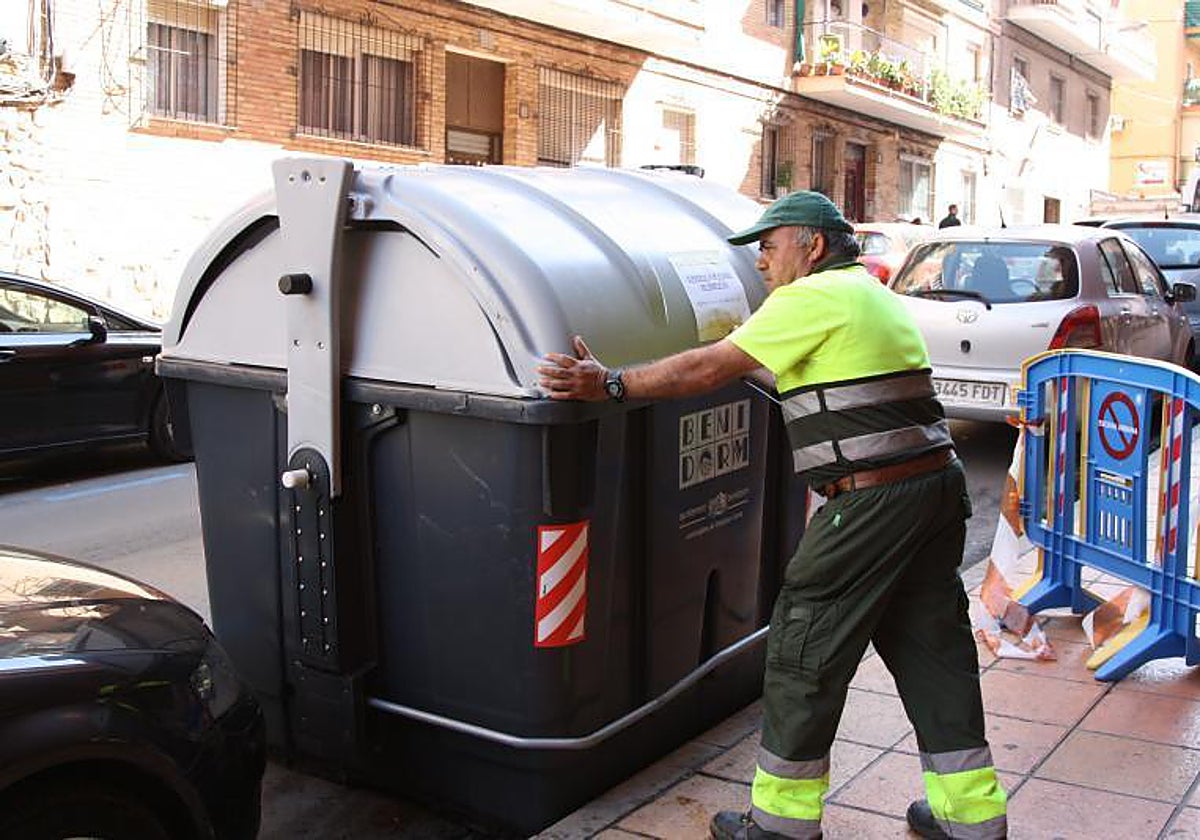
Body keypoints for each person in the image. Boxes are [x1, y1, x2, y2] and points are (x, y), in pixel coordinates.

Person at [536, 191, 1007, 840]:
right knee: (934, 649)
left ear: (810, 247)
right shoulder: (866, 294)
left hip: (871, 504)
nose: (760, 260)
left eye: (769, 244)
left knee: (802, 649)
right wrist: (722, 363)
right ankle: (972, 817)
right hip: (932, 489)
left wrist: (612, 382)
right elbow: (800, 375)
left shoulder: (810, 298)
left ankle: (781, 825)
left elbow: (709, 365)